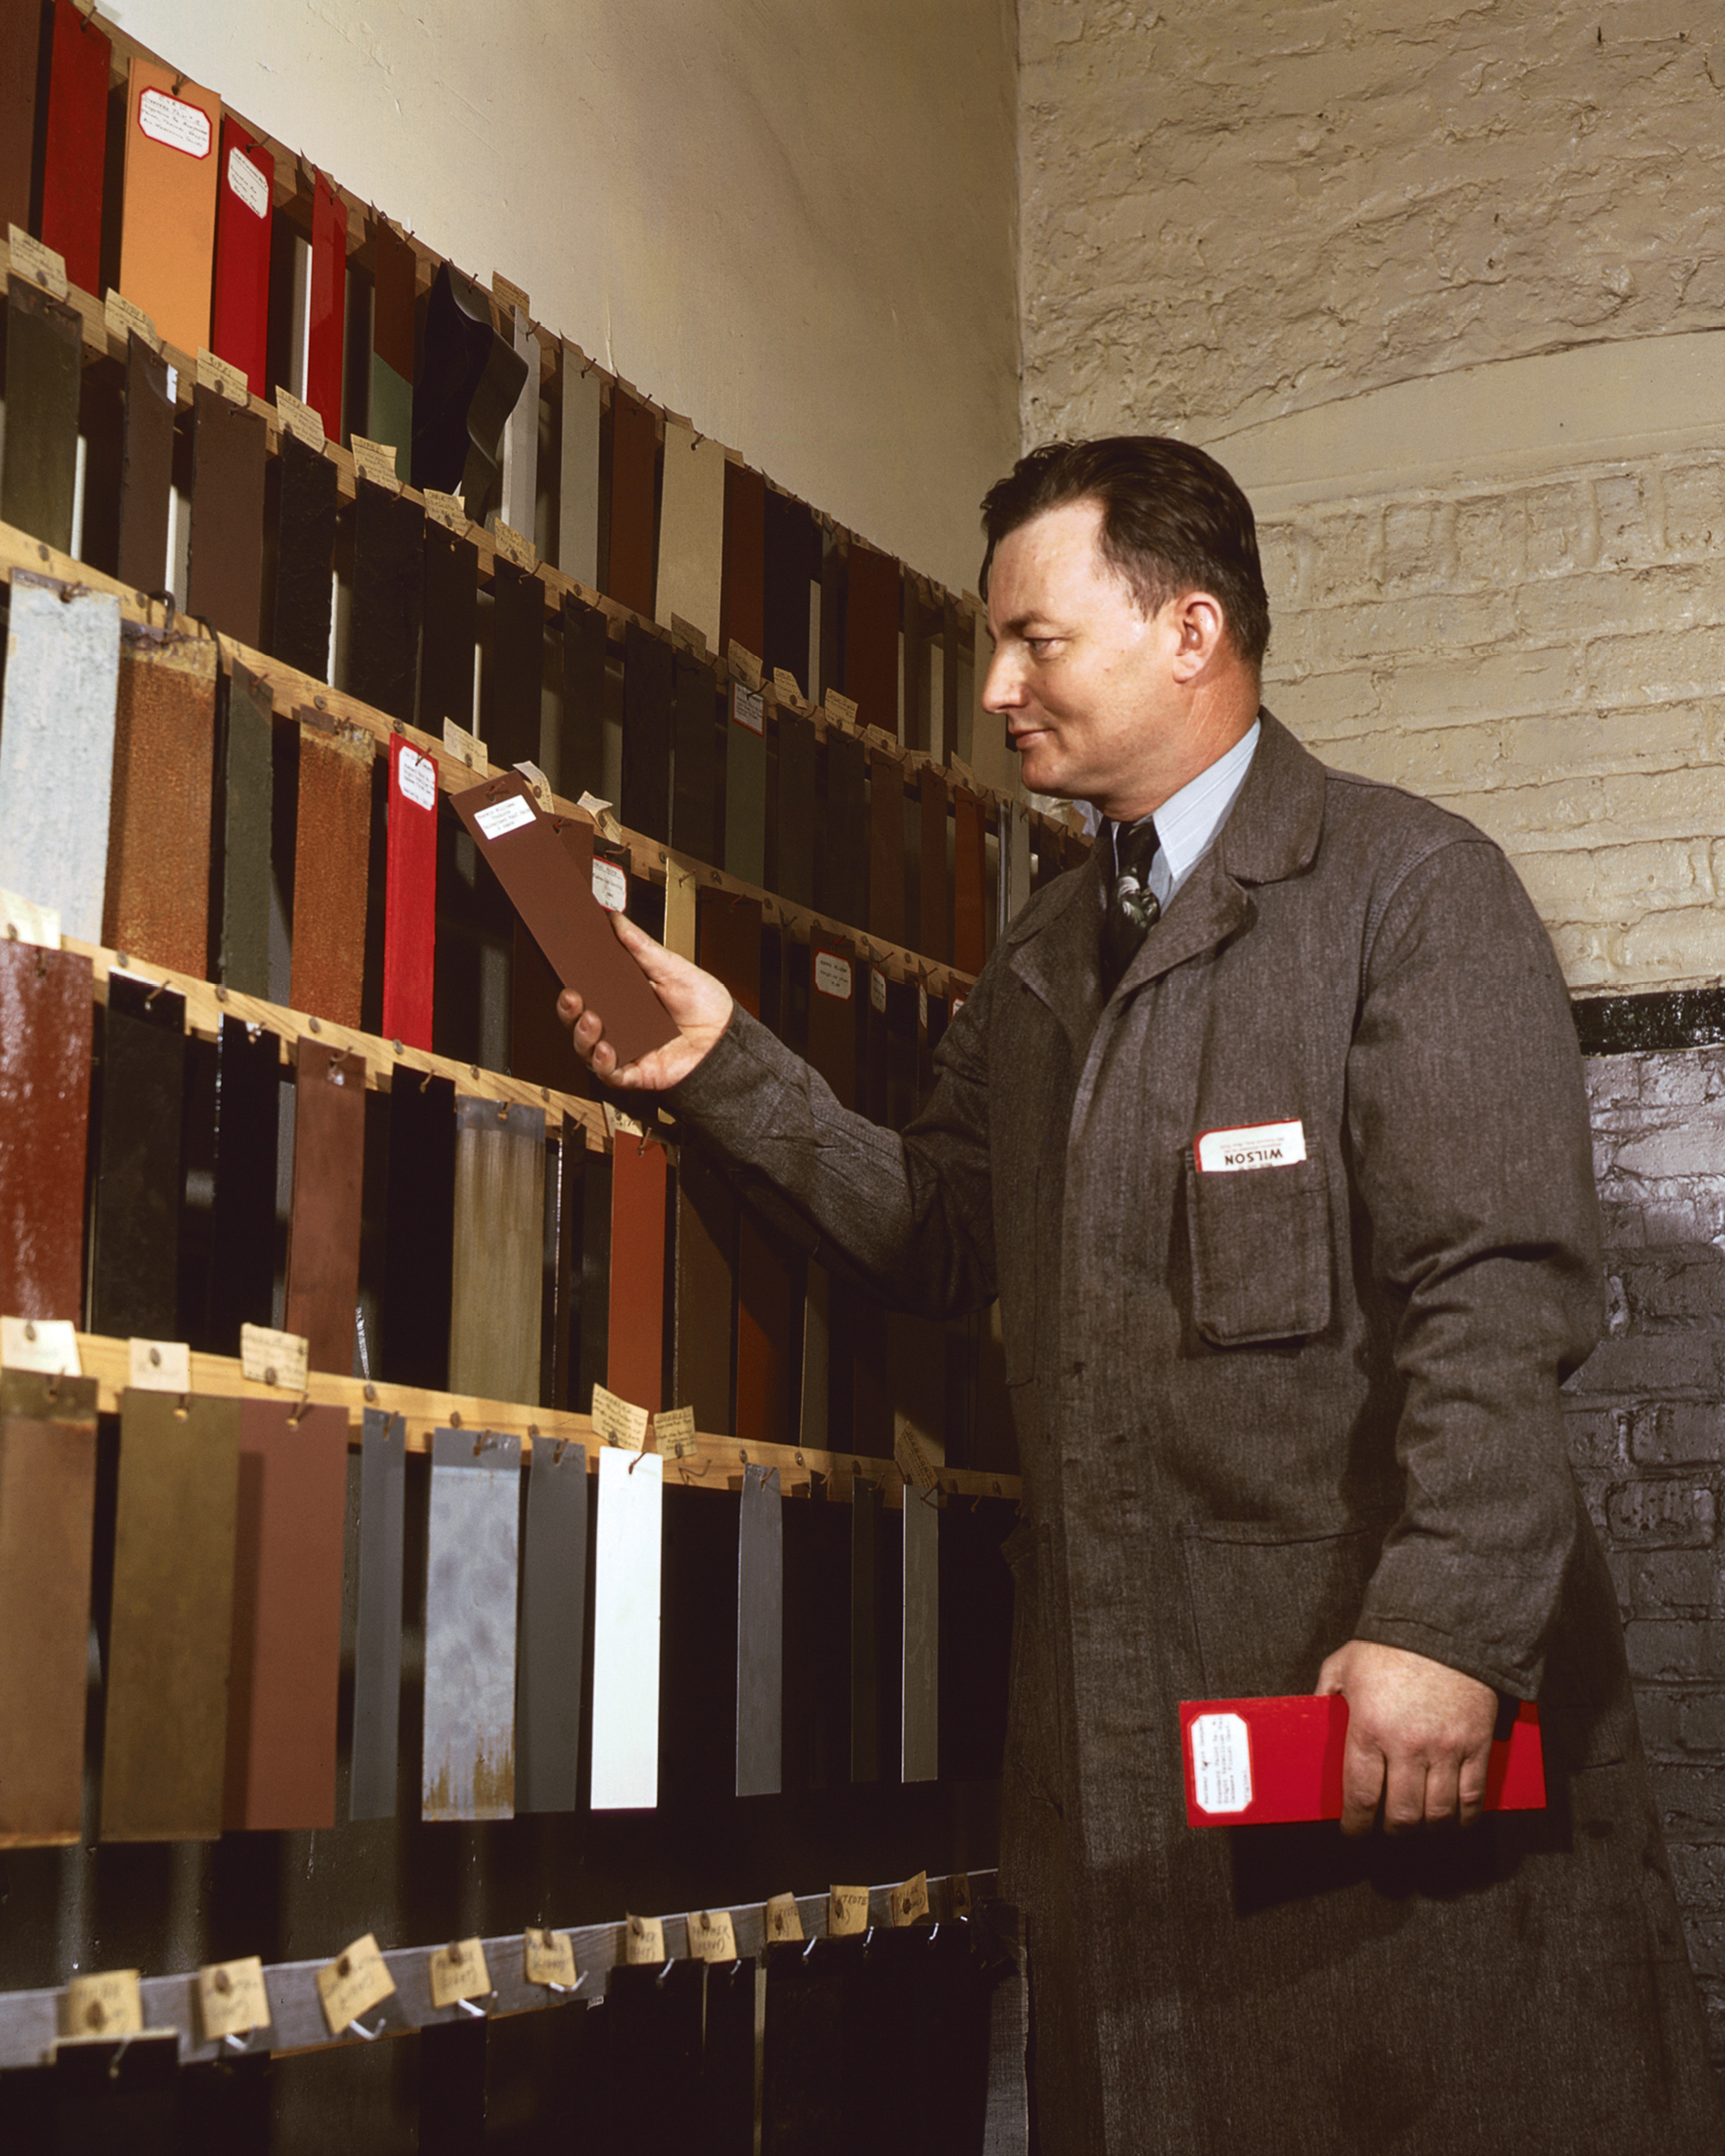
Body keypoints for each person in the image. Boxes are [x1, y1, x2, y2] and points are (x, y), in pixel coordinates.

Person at [560, 437, 1721, 2153]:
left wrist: (1446, 1623)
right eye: (993, 645)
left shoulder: (1410, 891)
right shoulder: (1040, 957)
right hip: (1131, 1790)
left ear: (1192, 630)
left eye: (1037, 640)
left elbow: (1497, 1283)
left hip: (1374, 1744)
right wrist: (725, 1065)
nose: (994, 690)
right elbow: (941, 1234)